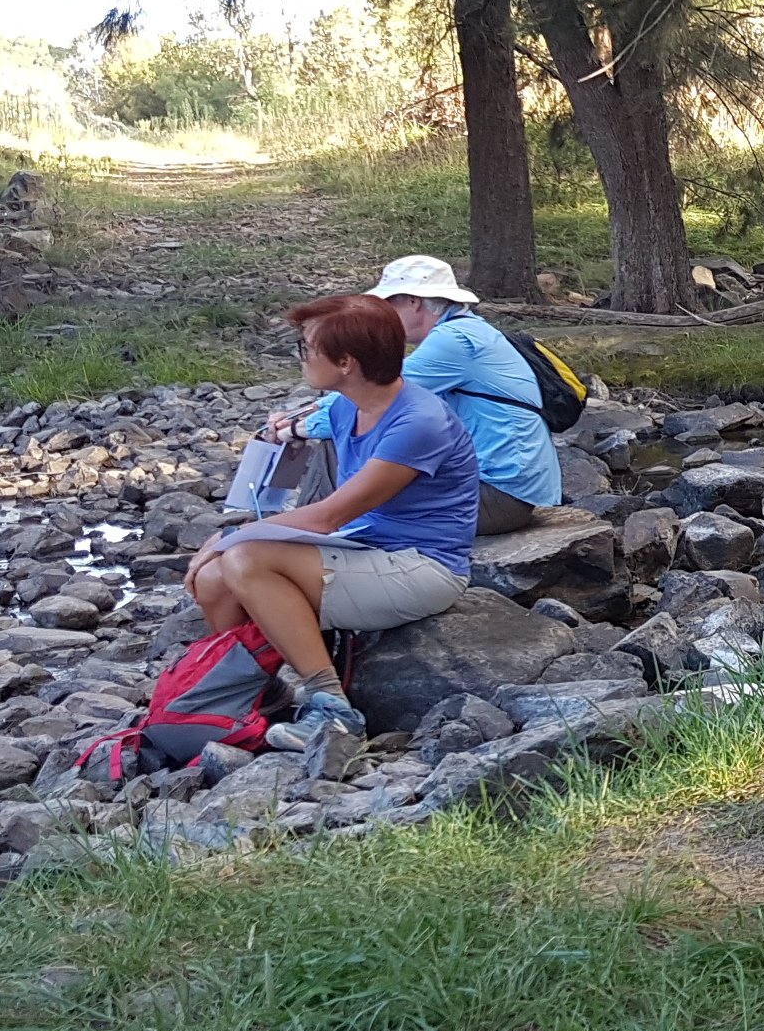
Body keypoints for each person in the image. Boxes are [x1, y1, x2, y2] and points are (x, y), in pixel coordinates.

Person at [188, 295, 481, 749]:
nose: (301, 357)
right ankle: (261, 693)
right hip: (369, 546)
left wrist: (231, 536)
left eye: (306, 347)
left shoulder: (419, 422)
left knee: (246, 559)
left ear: (346, 362)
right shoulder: (348, 408)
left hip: (424, 566)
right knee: (211, 579)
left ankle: (332, 710)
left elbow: (330, 516)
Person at [277, 256, 560, 535]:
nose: (381, 316)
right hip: (504, 489)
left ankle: (309, 536)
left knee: (337, 441)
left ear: (414, 301)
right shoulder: (468, 330)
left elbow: (374, 397)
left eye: (387, 305)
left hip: (497, 496)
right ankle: (314, 529)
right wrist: (299, 417)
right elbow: (360, 396)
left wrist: (297, 427)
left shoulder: (454, 341)